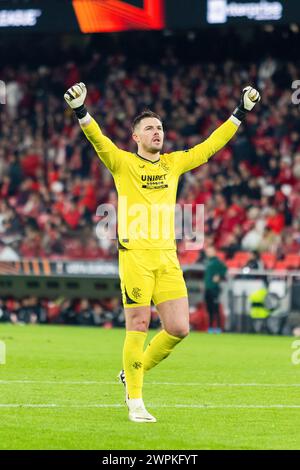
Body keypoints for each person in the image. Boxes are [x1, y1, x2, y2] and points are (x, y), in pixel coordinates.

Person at [64, 82, 260, 423]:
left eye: (160, 128)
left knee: (179, 328)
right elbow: (99, 140)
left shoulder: (173, 164)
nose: (158, 132)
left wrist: (239, 113)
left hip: (167, 258)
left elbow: (210, 147)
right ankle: (136, 401)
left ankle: (131, 372)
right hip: (136, 255)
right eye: (150, 128)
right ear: (136, 137)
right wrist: (82, 111)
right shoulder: (123, 163)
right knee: (138, 325)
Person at [204, 247, 228, 334]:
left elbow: (224, 269)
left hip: (214, 288)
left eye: (209, 251)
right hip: (208, 288)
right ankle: (210, 327)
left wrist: (219, 276)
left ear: (214, 252)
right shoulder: (207, 262)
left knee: (216, 309)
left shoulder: (217, 262)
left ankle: (218, 328)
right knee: (209, 309)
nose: (208, 253)